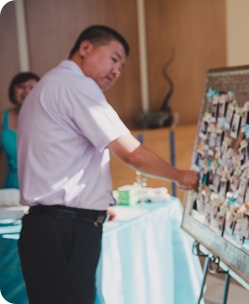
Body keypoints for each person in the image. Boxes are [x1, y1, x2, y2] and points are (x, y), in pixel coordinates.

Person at [17, 25, 198, 304]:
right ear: (85, 48)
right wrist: (181, 176)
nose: (117, 71)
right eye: (114, 59)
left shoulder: (48, 84)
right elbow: (131, 153)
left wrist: (95, 202)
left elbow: (61, 159)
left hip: (47, 225)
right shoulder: (76, 85)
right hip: (66, 229)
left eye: (122, 66)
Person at [0, 72, 40, 189]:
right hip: (13, 185)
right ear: (13, 91)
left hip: (40, 183)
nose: (27, 91)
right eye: (21, 87)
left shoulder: (47, 117)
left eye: (32, 87)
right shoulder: (3, 118)